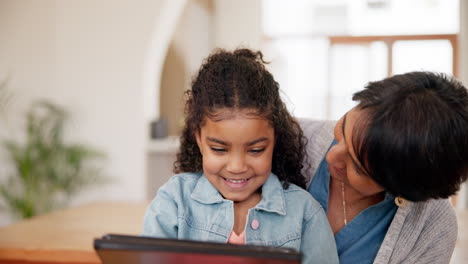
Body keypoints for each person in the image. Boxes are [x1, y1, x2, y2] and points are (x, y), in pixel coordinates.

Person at [142, 48, 339, 264]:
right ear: (198, 138)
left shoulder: (305, 213)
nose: (237, 166)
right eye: (219, 149)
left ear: (274, 141)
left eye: (255, 150)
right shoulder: (173, 202)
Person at [302, 71, 468, 264]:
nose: (332, 156)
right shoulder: (287, 139)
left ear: (402, 187)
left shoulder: (432, 228)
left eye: (357, 167)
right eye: (342, 129)